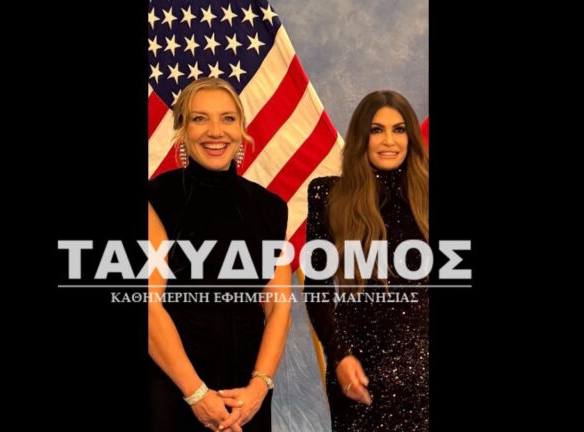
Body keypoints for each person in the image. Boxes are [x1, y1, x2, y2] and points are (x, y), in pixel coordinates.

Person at [148, 77, 292, 432]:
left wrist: (259, 387)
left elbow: (278, 307)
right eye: (200, 119)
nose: (216, 131)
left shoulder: (271, 207)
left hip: (247, 396)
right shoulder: (157, 198)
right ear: (182, 129)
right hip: (172, 388)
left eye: (228, 118)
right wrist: (196, 394)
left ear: (241, 128)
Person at [304, 90, 429, 431]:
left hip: (422, 373)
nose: (389, 140)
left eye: (399, 129)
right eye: (376, 130)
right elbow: (317, 288)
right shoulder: (328, 194)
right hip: (357, 370)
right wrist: (338, 355)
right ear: (361, 137)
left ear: (411, 137)